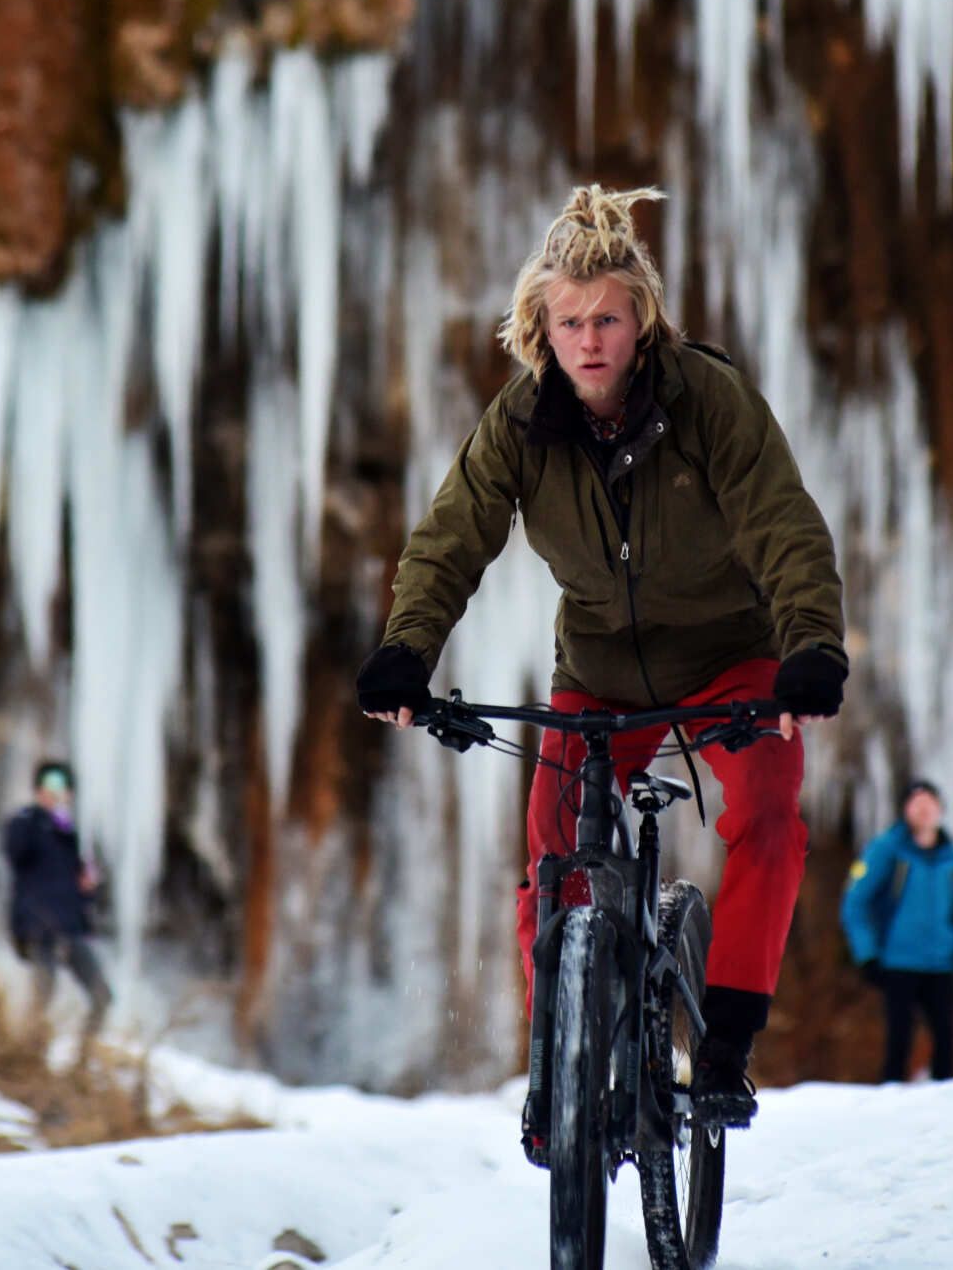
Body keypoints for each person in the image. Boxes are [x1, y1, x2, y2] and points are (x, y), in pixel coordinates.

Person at [356, 183, 848, 1129]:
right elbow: (451, 538)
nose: (591, 340)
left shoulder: (710, 402)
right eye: (572, 320)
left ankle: (722, 1053)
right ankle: (559, 1066)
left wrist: (811, 648)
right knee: (553, 850)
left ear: (642, 318)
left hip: (731, 663)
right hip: (598, 673)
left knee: (771, 818)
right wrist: (404, 652)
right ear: (541, 325)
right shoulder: (520, 424)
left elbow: (784, 525)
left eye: (610, 319)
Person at [840, 777, 953, 1082]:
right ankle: (892, 1102)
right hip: (898, 962)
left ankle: (946, 1104)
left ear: (941, 809)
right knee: (898, 1040)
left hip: (941, 963)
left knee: (946, 1040)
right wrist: (867, 955)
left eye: (929, 803)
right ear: (905, 810)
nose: (923, 810)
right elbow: (855, 903)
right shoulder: (886, 850)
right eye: (916, 804)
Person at [2, 760, 111, 1040]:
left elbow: (83, 893)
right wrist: (42, 816)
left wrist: (89, 887)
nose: (56, 791)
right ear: (38, 789)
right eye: (50, 784)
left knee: (102, 995)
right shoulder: (26, 822)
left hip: (69, 929)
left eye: (62, 786)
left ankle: (81, 1065)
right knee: (44, 991)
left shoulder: (70, 838)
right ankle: (25, 1056)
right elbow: (14, 851)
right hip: (38, 928)